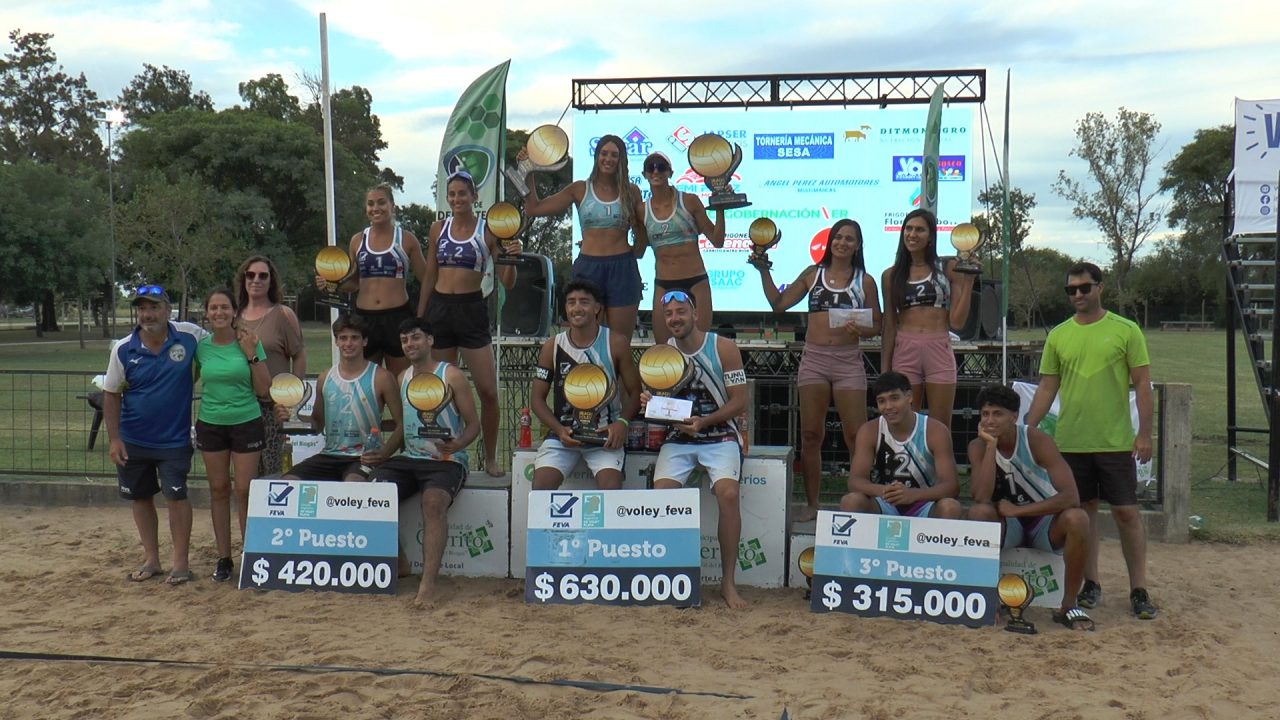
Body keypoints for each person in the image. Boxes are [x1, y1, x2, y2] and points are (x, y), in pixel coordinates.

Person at [1025, 262, 1157, 620]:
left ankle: (1139, 589)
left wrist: (1145, 433)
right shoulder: (1059, 335)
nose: (1078, 295)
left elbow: (1142, 384)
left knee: (1127, 513)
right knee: (1083, 515)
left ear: (1100, 287)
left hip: (1116, 442)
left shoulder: (1126, 330)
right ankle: (1091, 584)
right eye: (1071, 290)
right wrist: (1027, 429)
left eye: (1085, 287)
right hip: (1071, 442)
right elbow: (1047, 386)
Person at [752, 219, 881, 522]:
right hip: (815, 361)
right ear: (830, 241)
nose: (842, 243)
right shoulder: (813, 274)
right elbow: (779, 304)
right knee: (811, 435)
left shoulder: (865, 281)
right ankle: (813, 504)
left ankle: (859, 501)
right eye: (838, 237)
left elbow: (878, 324)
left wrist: (862, 330)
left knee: (856, 436)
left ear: (858, 245)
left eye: (849, 239)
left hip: (848, 362)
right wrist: (763, 271)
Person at [643, 290, 749, 609]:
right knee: (662, 496)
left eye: (681, 311)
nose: (675, 318)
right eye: (668, 314)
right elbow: (661, 407)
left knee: (728, 493)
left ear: (696, 314)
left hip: (720, 434)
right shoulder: (661, 354)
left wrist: (705, 422)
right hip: (680, 438)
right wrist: (652, 404)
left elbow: (740, 400)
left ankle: (727, 582)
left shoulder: (723, 347)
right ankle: (675, 577)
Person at [966, 384, 1093, 631]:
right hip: (1009, 526)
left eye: (997, 414)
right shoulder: (978, 446)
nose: (989, 420)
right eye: (985, 414)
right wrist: (990, 446)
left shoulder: (1036, 440)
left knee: (1078, 518)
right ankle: (988, 598)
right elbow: (980, 496)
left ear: (1014, 416)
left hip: (1044, 522)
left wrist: (1018, 511)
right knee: (978, 513)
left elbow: (1071, 496)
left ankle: (1069, 604)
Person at [371, 317, 480, 607]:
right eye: (405, 340)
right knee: (373, 490)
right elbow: (401, 427)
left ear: (430, 340)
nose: (410, 344)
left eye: (416, 337)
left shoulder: (451, 375)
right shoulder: (402, 378)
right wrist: (383, 455)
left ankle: (428, 584)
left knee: (432, 503)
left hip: (447, 460)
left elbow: (473, 425)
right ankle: (401, 561)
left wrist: (458, 444)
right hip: (410, 458)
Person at [103, 285, 207, 586]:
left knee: (177, 496)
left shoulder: (190, 335)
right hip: (134, 440)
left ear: (168, 310)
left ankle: (181, 564)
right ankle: (152, 559)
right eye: (142, 308)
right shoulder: (123, 349)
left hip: (174, 439)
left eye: (154, 307)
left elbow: (220, 343)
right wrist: (114, 439)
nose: (147, 314)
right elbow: (111, 393)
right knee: (140, 498)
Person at [422, 170, 518, 477]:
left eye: (462, 193)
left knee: (488, 391)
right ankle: (443, 453)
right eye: (451, 194)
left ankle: (489, 457)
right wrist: (420, 318)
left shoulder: (488, 231)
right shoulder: (438, 229)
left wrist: (511, 256)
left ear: (474, 197)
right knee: (440, 391)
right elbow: (429, 275)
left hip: (471, 310)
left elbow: (508, 281)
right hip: (439, 310)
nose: (456, 199)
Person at [522, 134, 646, 340]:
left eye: (614, 155)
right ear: (596, 157)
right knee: (587, 339)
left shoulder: (632, 192)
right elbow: (534, 208)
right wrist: (529, 173)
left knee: (620, 340)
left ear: (622, 159)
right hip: (589, 268)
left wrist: (636, 247)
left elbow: (641, 242)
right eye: (604, 154)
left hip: (622, 267)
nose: (608, 159)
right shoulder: (579, 189)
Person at [530, 279, 641, 491]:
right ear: (565, 308)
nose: (577, 308)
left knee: (610, 488)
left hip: (604, 433)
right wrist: (559, 429)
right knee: (541, 486)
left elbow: (636, 393)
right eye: (571, 302)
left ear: (597, 307)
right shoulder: (553, 346)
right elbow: (536, 399)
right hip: (564, 434)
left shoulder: (615, 342)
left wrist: (622, 423)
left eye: (584, 302)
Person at [193, 288, 271, 582]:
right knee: (218, 489)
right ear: (207, 313)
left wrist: (251, 355)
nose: (219, 313)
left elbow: (264, 389)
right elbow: (186, 381)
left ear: (234, 311)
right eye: (213, 308)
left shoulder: (249, 341)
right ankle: (224, 557)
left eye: (224, 307)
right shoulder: (201, 348)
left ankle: (251, 553)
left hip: (246, 421)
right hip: (211, 423)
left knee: (244, 490)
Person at [879, 208, 976, 429]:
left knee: (940, 423)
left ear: (931, 235)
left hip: (938, 346)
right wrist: (885, 371)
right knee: (905, 421)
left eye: (920, 230)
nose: (912, 234)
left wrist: (969, 281)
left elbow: (957, 322)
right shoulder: (891, 275)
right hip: (905, 348)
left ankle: (940, 454)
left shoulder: (948, 268)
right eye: (908, 229)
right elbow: (890, 325)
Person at [322, 183, 429, 376]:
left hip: (398, 317)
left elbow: (426, 280)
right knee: (366, 381)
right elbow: (354, 283)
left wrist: (420, 316)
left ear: (392, 206)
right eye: (371, 204)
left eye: (381, 202)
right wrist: (331, 284)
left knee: (401, 381)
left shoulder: (406, 239)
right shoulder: (357, 241)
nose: (375, 208)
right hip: (364, 319)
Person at [283, 315, 400, 482]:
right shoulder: (325, 378)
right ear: (336, 341)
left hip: (363, 456)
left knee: (352, 484)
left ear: (365, 341)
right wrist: (292, 417)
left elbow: (402, 423)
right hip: (330, 455)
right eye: (343, 338)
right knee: (288, 481)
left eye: (355, 338)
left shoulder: (381, 377)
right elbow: (317, 425)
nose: (348, 343)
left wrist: (384, 453)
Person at [839, 371, 962, 519]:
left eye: (894, 398)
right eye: (881, 401)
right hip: (885, 503)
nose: (888, 406)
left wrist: (914, 494)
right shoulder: (869, 430)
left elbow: (951, 486)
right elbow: (855, 481)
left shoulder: (935, 430)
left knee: (950, 507)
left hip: (924, 504)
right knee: (851, 501)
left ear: (909, 397)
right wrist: (886, 491)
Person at [632, 151, 725, 342]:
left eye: (661, 167)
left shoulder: (689, 201)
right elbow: (638, 251)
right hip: (663, 283)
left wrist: (720, 207)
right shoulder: (641, 210)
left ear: (670, 173)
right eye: (651, 167)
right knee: (664, 348)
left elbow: (717, 240)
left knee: (700, 345)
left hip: (695, 281)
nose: (656, 171)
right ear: (645, 174)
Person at [235, 255, 305, 477]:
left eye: (263, 276)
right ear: (243, 279)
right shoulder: (233, 317)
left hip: (273, 407)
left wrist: (292, 398)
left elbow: (299, 355)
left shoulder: (283, 314)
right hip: (241, 405)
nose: (256, 280)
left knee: (273, 474)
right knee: (246, 478)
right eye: (250, 275)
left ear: (271, 280)